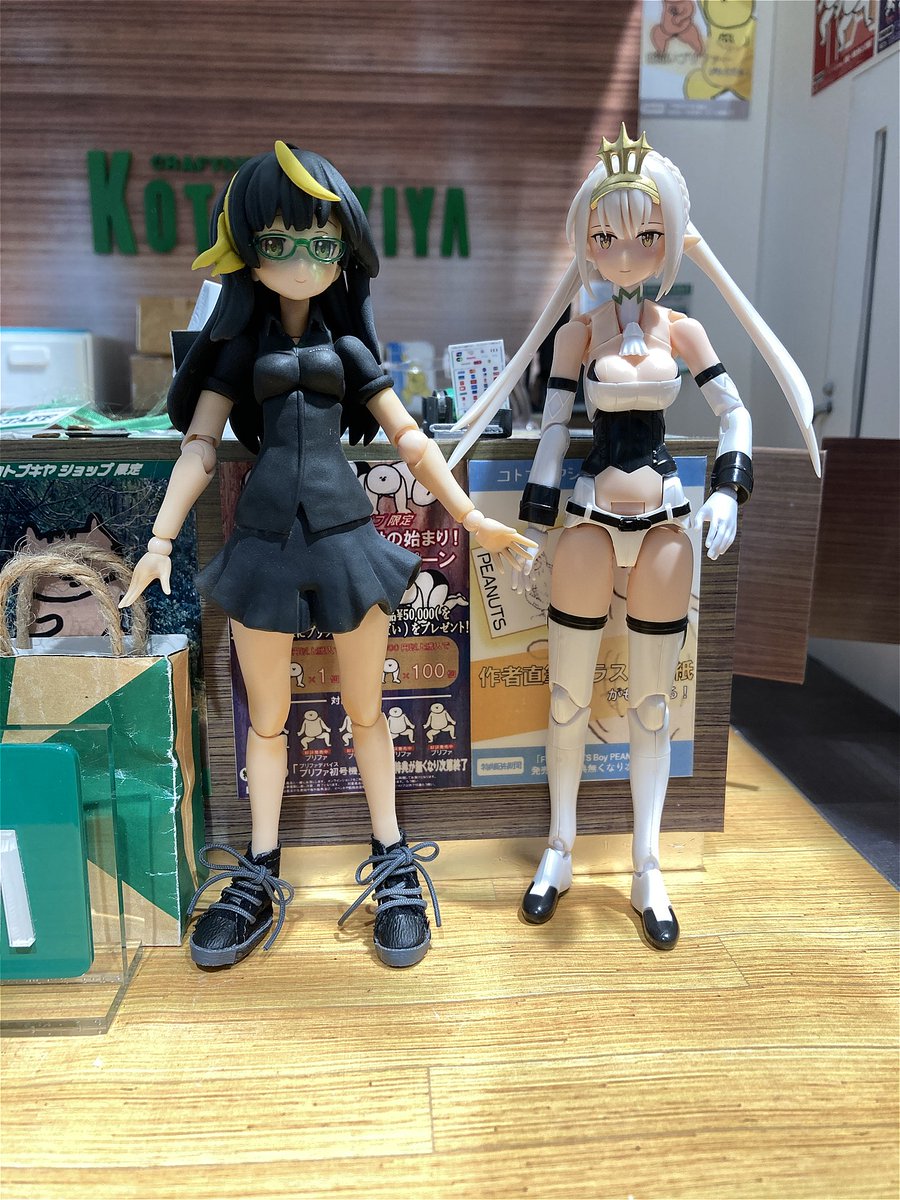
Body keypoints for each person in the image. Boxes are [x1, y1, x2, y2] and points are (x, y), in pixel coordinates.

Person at [119, 141, 533, 970]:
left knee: (369, 711)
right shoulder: (238, 349)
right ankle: (261, 868)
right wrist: (159, 540)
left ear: (346, 249)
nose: (304, 260)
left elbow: (410, 439)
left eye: (322, 241)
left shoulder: (349, 350)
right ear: (247, 249)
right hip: (264, 545)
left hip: (347, 540)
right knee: (267, 720)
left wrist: (469, 517)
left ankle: (391, 857)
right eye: (279, 241)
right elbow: (200, 446)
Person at [449, 126, 818, 950]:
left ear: (669, 238)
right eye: (605, 236)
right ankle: (559, 848)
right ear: (585, 240)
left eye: (645, 235)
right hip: (586, 522)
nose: (623, 252)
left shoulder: (683, 331)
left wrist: (729, 490)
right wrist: (530, 527)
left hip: (665, 527)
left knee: (654, 705)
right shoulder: (577, 335)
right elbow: (552, 432)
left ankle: (648, 865)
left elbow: (735, 412)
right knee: (567, 697)